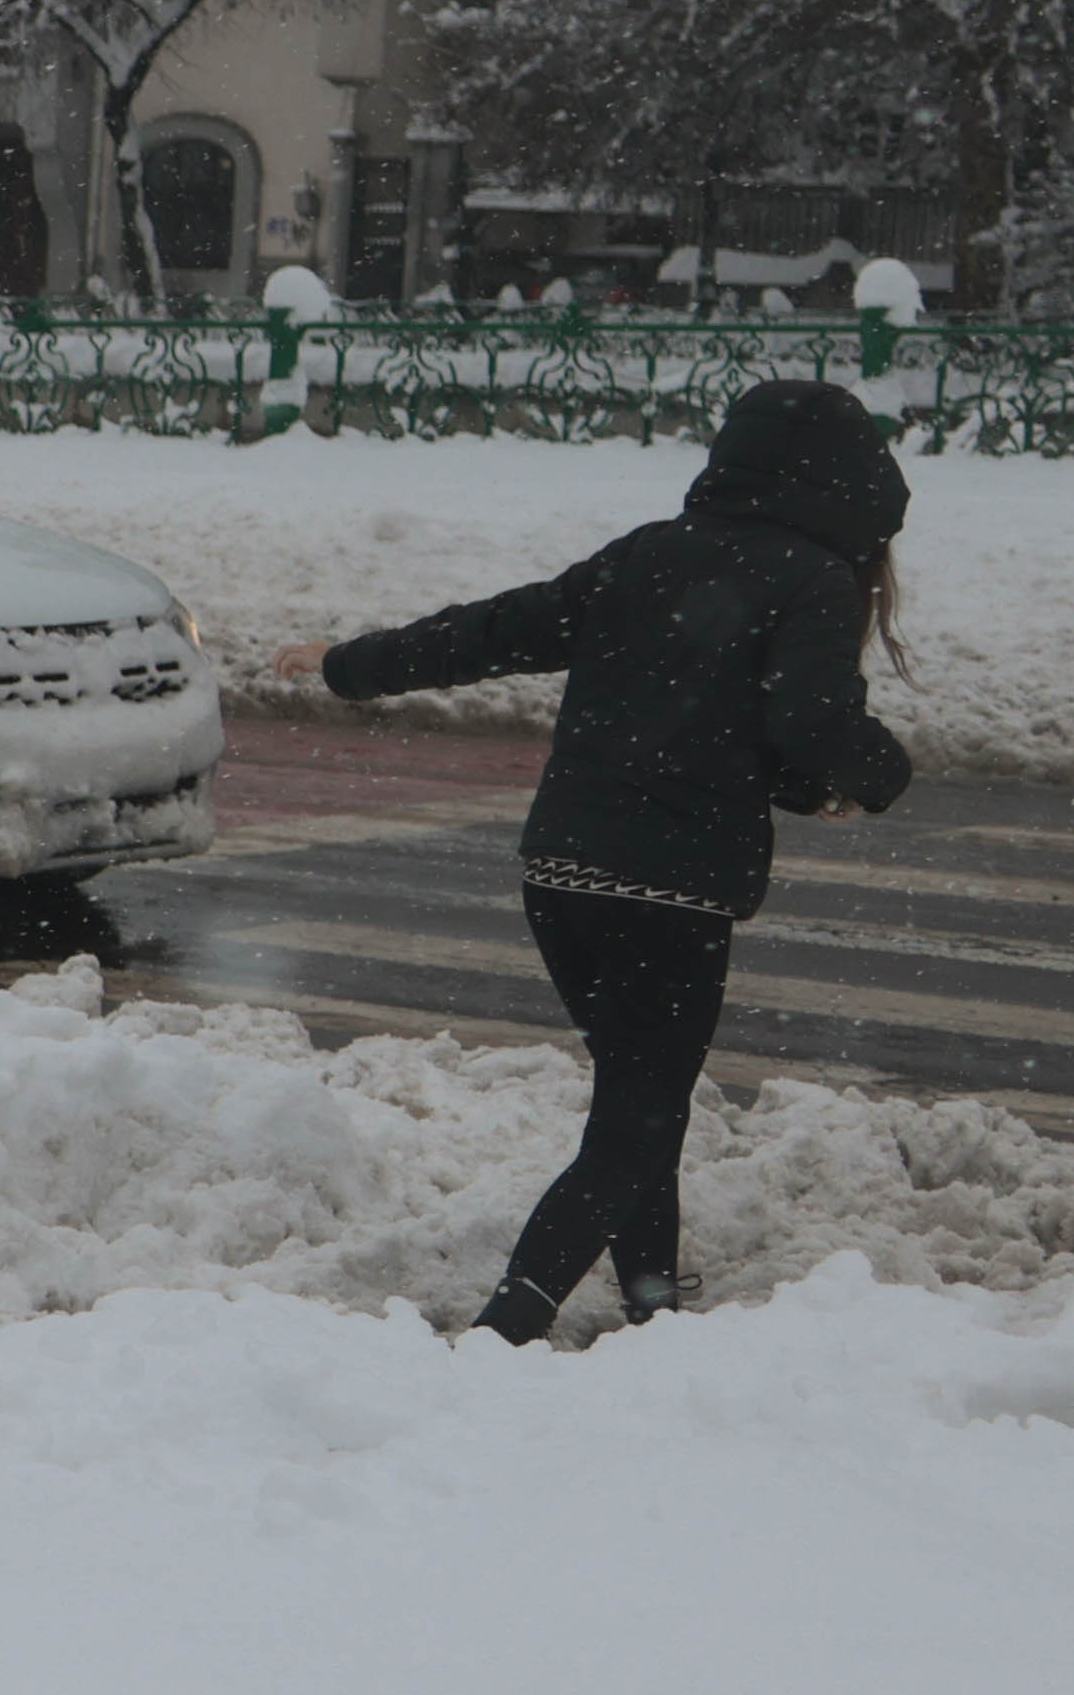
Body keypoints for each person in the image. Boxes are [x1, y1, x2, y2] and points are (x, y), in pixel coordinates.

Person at [289, 369, 918, 1346]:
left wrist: (351, 664)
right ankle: (509, 1322)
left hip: (564, 875)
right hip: (671, 891)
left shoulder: (649, 555)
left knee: (637, 1087)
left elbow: (497, 630)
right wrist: (878, 773)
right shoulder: (811, 579)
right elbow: (805, 721)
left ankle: (651, 1287)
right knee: (636, 1113)